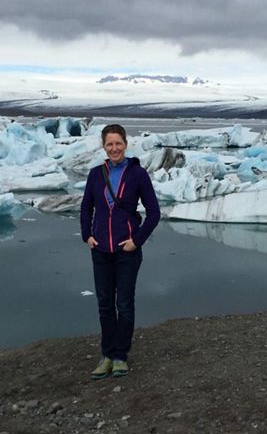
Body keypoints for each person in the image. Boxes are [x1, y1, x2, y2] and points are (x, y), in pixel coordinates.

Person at [80, 124, 160, 379]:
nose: (114, 148)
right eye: (109, 144)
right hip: (101, 249)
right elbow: (85, 208)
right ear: (103, 146)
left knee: (124, 304)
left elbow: (154, 213)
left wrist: (137, 240)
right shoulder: (95, 174)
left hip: (127, 250)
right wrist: (87, 235)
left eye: (118, 143)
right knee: (105, 304)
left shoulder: (137, 174)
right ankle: (107, 355)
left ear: (126, 144)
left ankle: (120, 356)